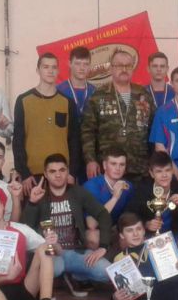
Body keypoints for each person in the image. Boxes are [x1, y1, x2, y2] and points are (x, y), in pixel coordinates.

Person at [21, 154, 114, 286]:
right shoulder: (39, 194)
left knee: (108, 272)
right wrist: (32, 203)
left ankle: (75, 275)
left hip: (75, 252)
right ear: (45, 174)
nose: (58, 175)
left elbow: (103, 214)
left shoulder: (78, 192)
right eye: (52, 171)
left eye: (62, 170)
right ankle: (67, 276)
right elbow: (25, 228)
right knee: (55, 268)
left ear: (68, 171)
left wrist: (103, 247)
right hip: (50, 252)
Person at [82, 49, 155, 181]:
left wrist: (154, 162)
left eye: (128, 66)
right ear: (111, 68)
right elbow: (88, 131)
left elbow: (154, 130)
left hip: (140, 168)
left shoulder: (143, 95)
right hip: (108, 170)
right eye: (119, 65)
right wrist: (90, 160)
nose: (124, 69)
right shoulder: (98, 96)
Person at [13, 53, 82, 193]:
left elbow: (75, 141)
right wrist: (24, 173)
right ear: (38, 70)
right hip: (32, 176)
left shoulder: (67, 102)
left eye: (54, 67)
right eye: (46, 67)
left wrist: (72, 173)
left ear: (58, 71)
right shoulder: (23, 100)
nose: (50, 71)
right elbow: (18, 140)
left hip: (61, 174)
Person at [124, 151, 178, 257]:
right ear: (151, 173)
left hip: (175, 238)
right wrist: (146, 224)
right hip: (149, 239)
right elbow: (128, 217)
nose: (164, 175)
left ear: (172, 171)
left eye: (167, 170)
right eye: (159, 171)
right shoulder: (143, 190)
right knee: (124, 240)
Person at [82, 147, 133, 224]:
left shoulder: (128, 186)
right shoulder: (90, 186)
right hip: (98, 229)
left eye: (122, 164)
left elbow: (129, 218)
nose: (118, 168)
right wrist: (115, 198)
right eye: (113, 164)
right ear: (104, 165)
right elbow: (92, 224)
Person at [57, 46, 93, 123]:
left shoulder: (95, 91)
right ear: (69, 63)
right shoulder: (58, 91)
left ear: (90, 66)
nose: (82, 68)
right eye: (77, 63)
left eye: (86, 64)